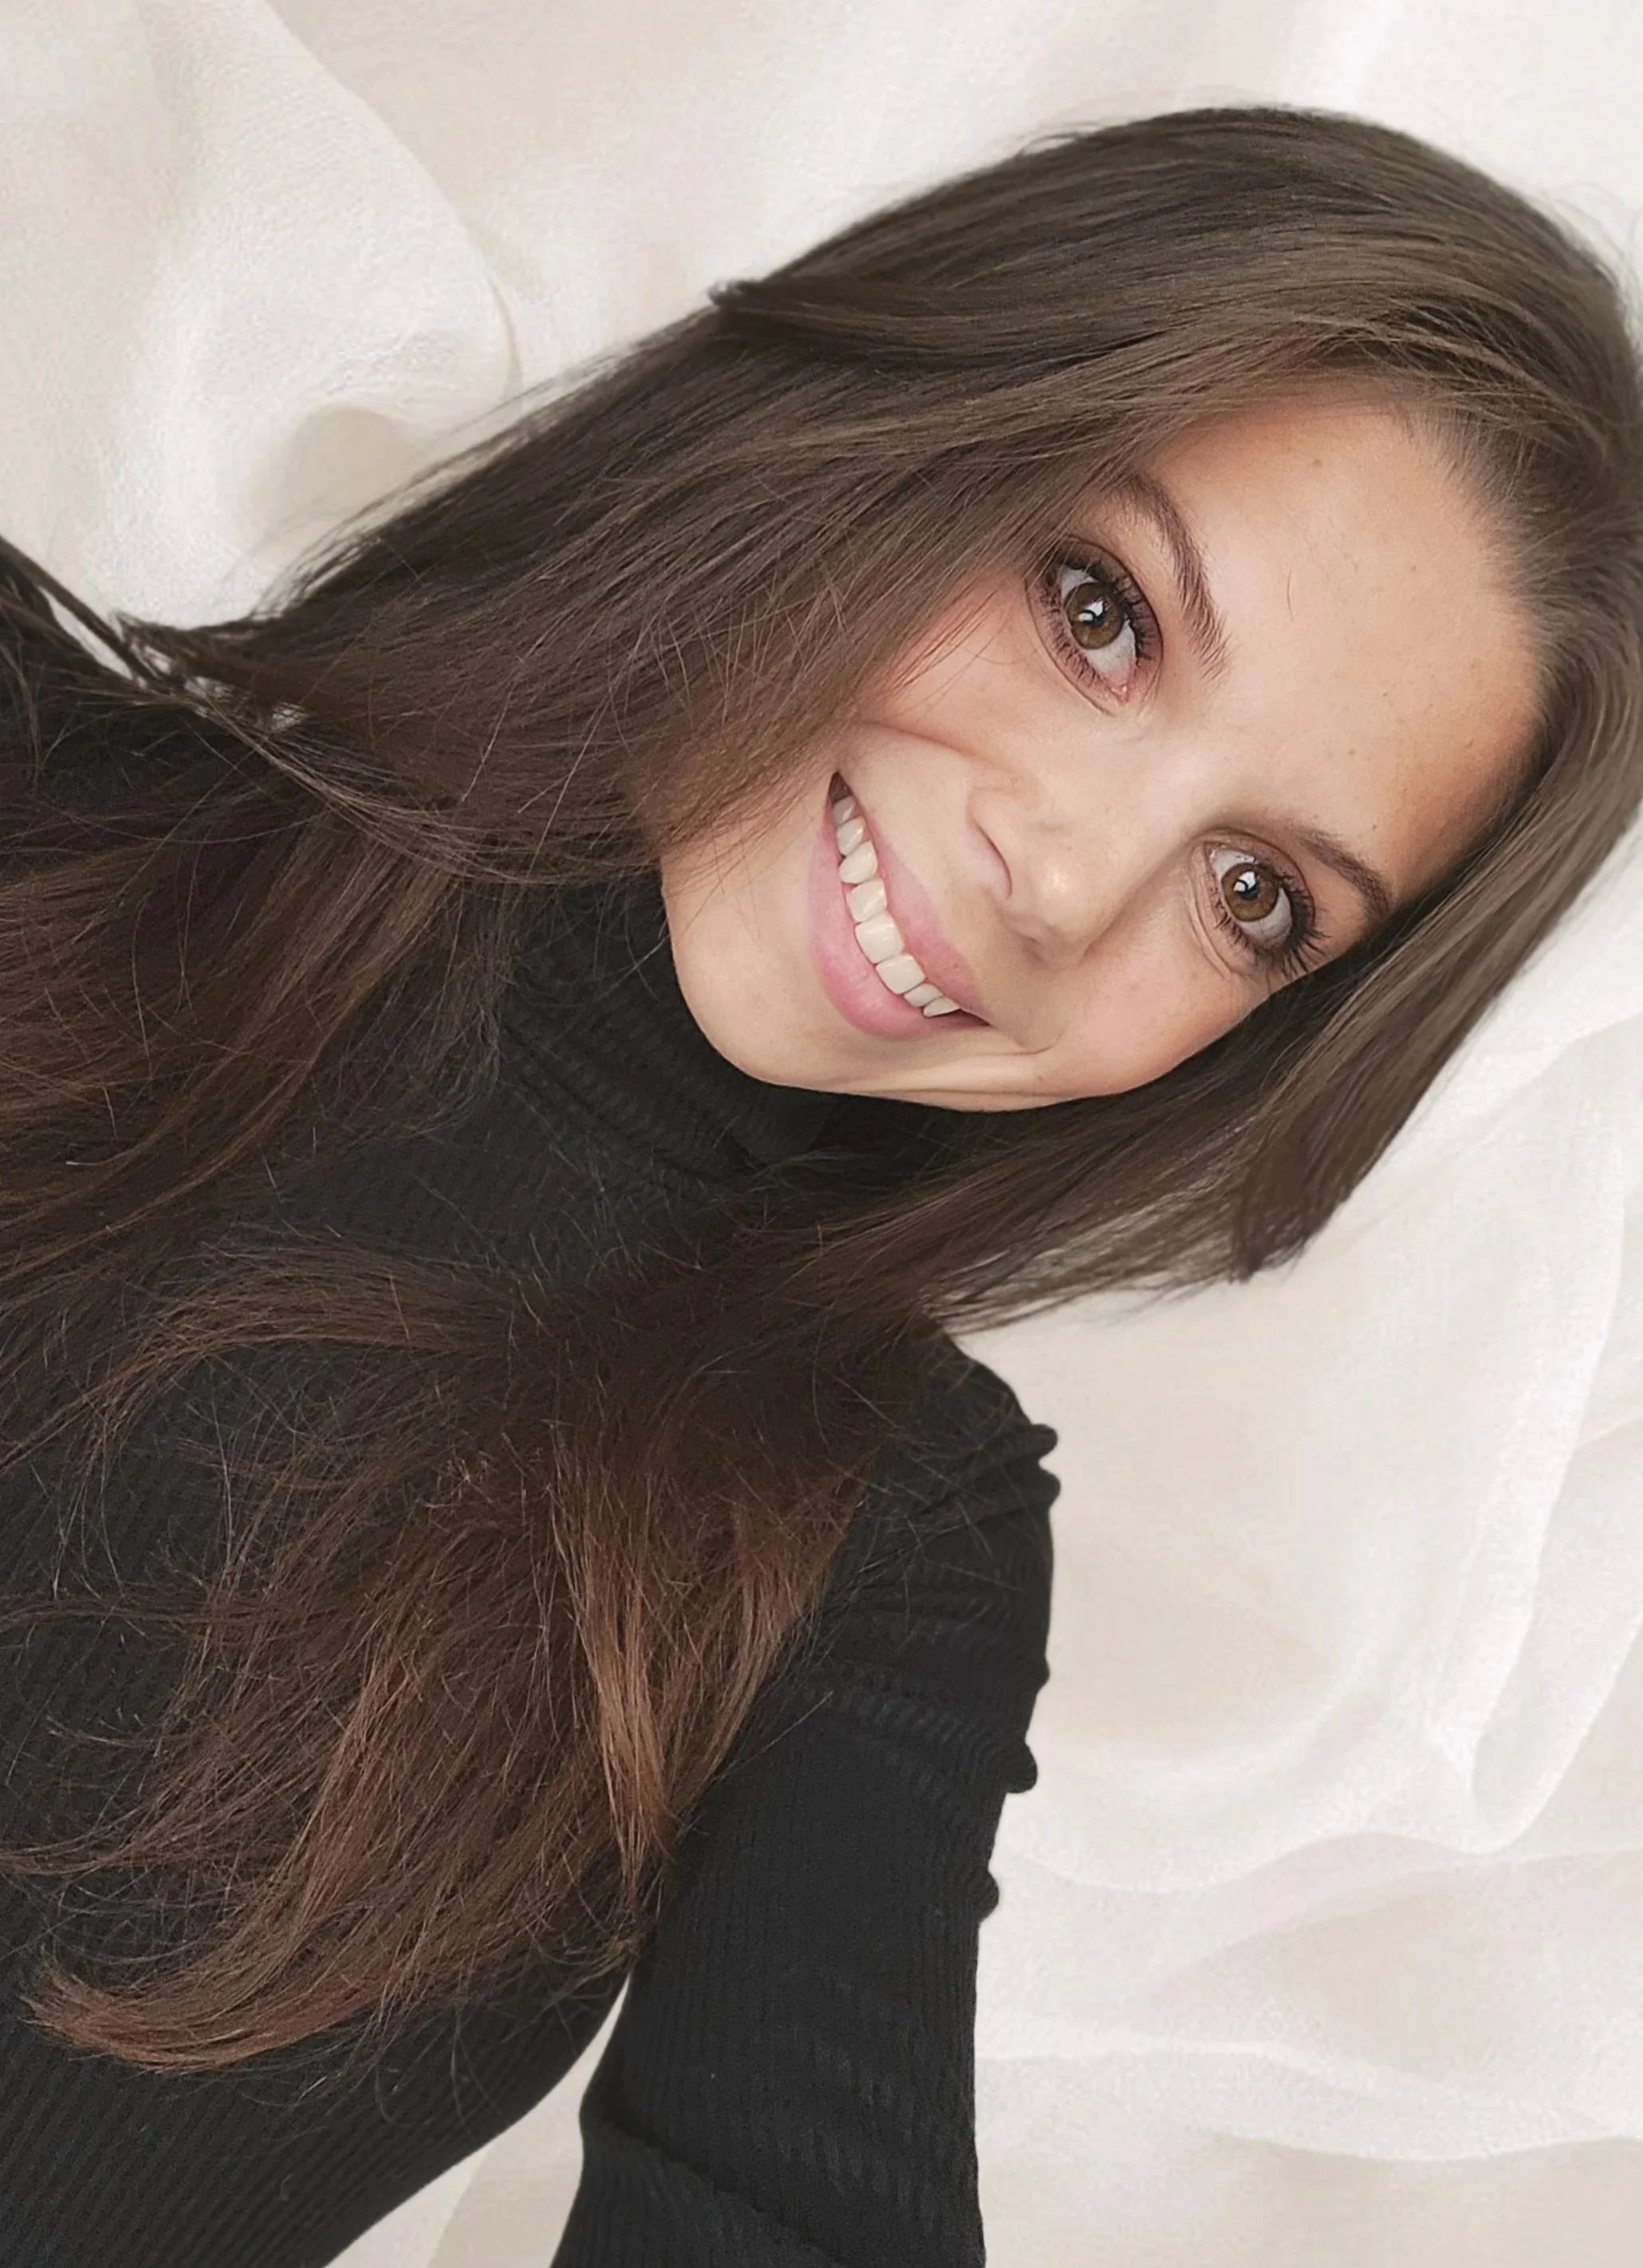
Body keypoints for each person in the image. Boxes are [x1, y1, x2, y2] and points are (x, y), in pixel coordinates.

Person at [0, 101, 1638, 2267]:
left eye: (1254, 893)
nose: (1064, 881)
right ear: (890, 414)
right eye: (1097, 611)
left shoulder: (871, 1538)